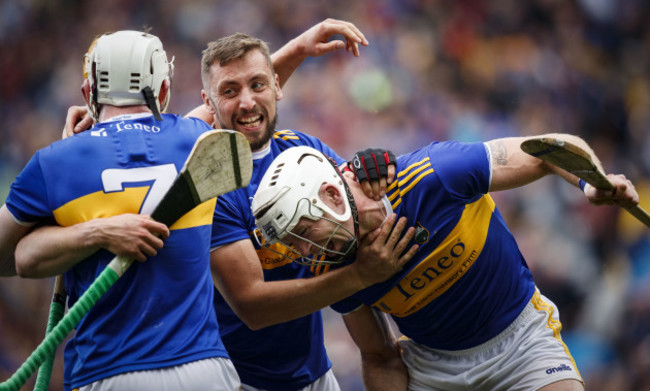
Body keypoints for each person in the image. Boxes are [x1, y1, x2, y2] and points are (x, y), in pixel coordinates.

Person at [49, 20, 415, 390]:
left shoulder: (305, 149)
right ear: (208, 102)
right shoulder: (203, 179)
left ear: (275, 85)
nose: (247, 101)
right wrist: (105, 122)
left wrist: (375, 173)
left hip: (316, 373)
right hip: (239, 381)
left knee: (383, 352)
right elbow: (252, 305)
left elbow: (254, 95)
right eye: (227, 91)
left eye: (260, 84)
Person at [251, 137, 641, 391]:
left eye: (304, 231)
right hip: (435, 371)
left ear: (331, 195)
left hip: (523, 343)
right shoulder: (332, 270)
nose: (304, 253)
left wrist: (591, 182)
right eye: (293, 243)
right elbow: (380, 355)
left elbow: (546, 149)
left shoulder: (434, 175)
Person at [0, 30, 241, 390]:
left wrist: (92, 232)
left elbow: (8, 259)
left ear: (88, 94)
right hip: (204, 368)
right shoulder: (198, 137)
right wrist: (299, 47)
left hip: (107, 373)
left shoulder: (55, 162)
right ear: (162, 91)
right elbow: (247, 102)